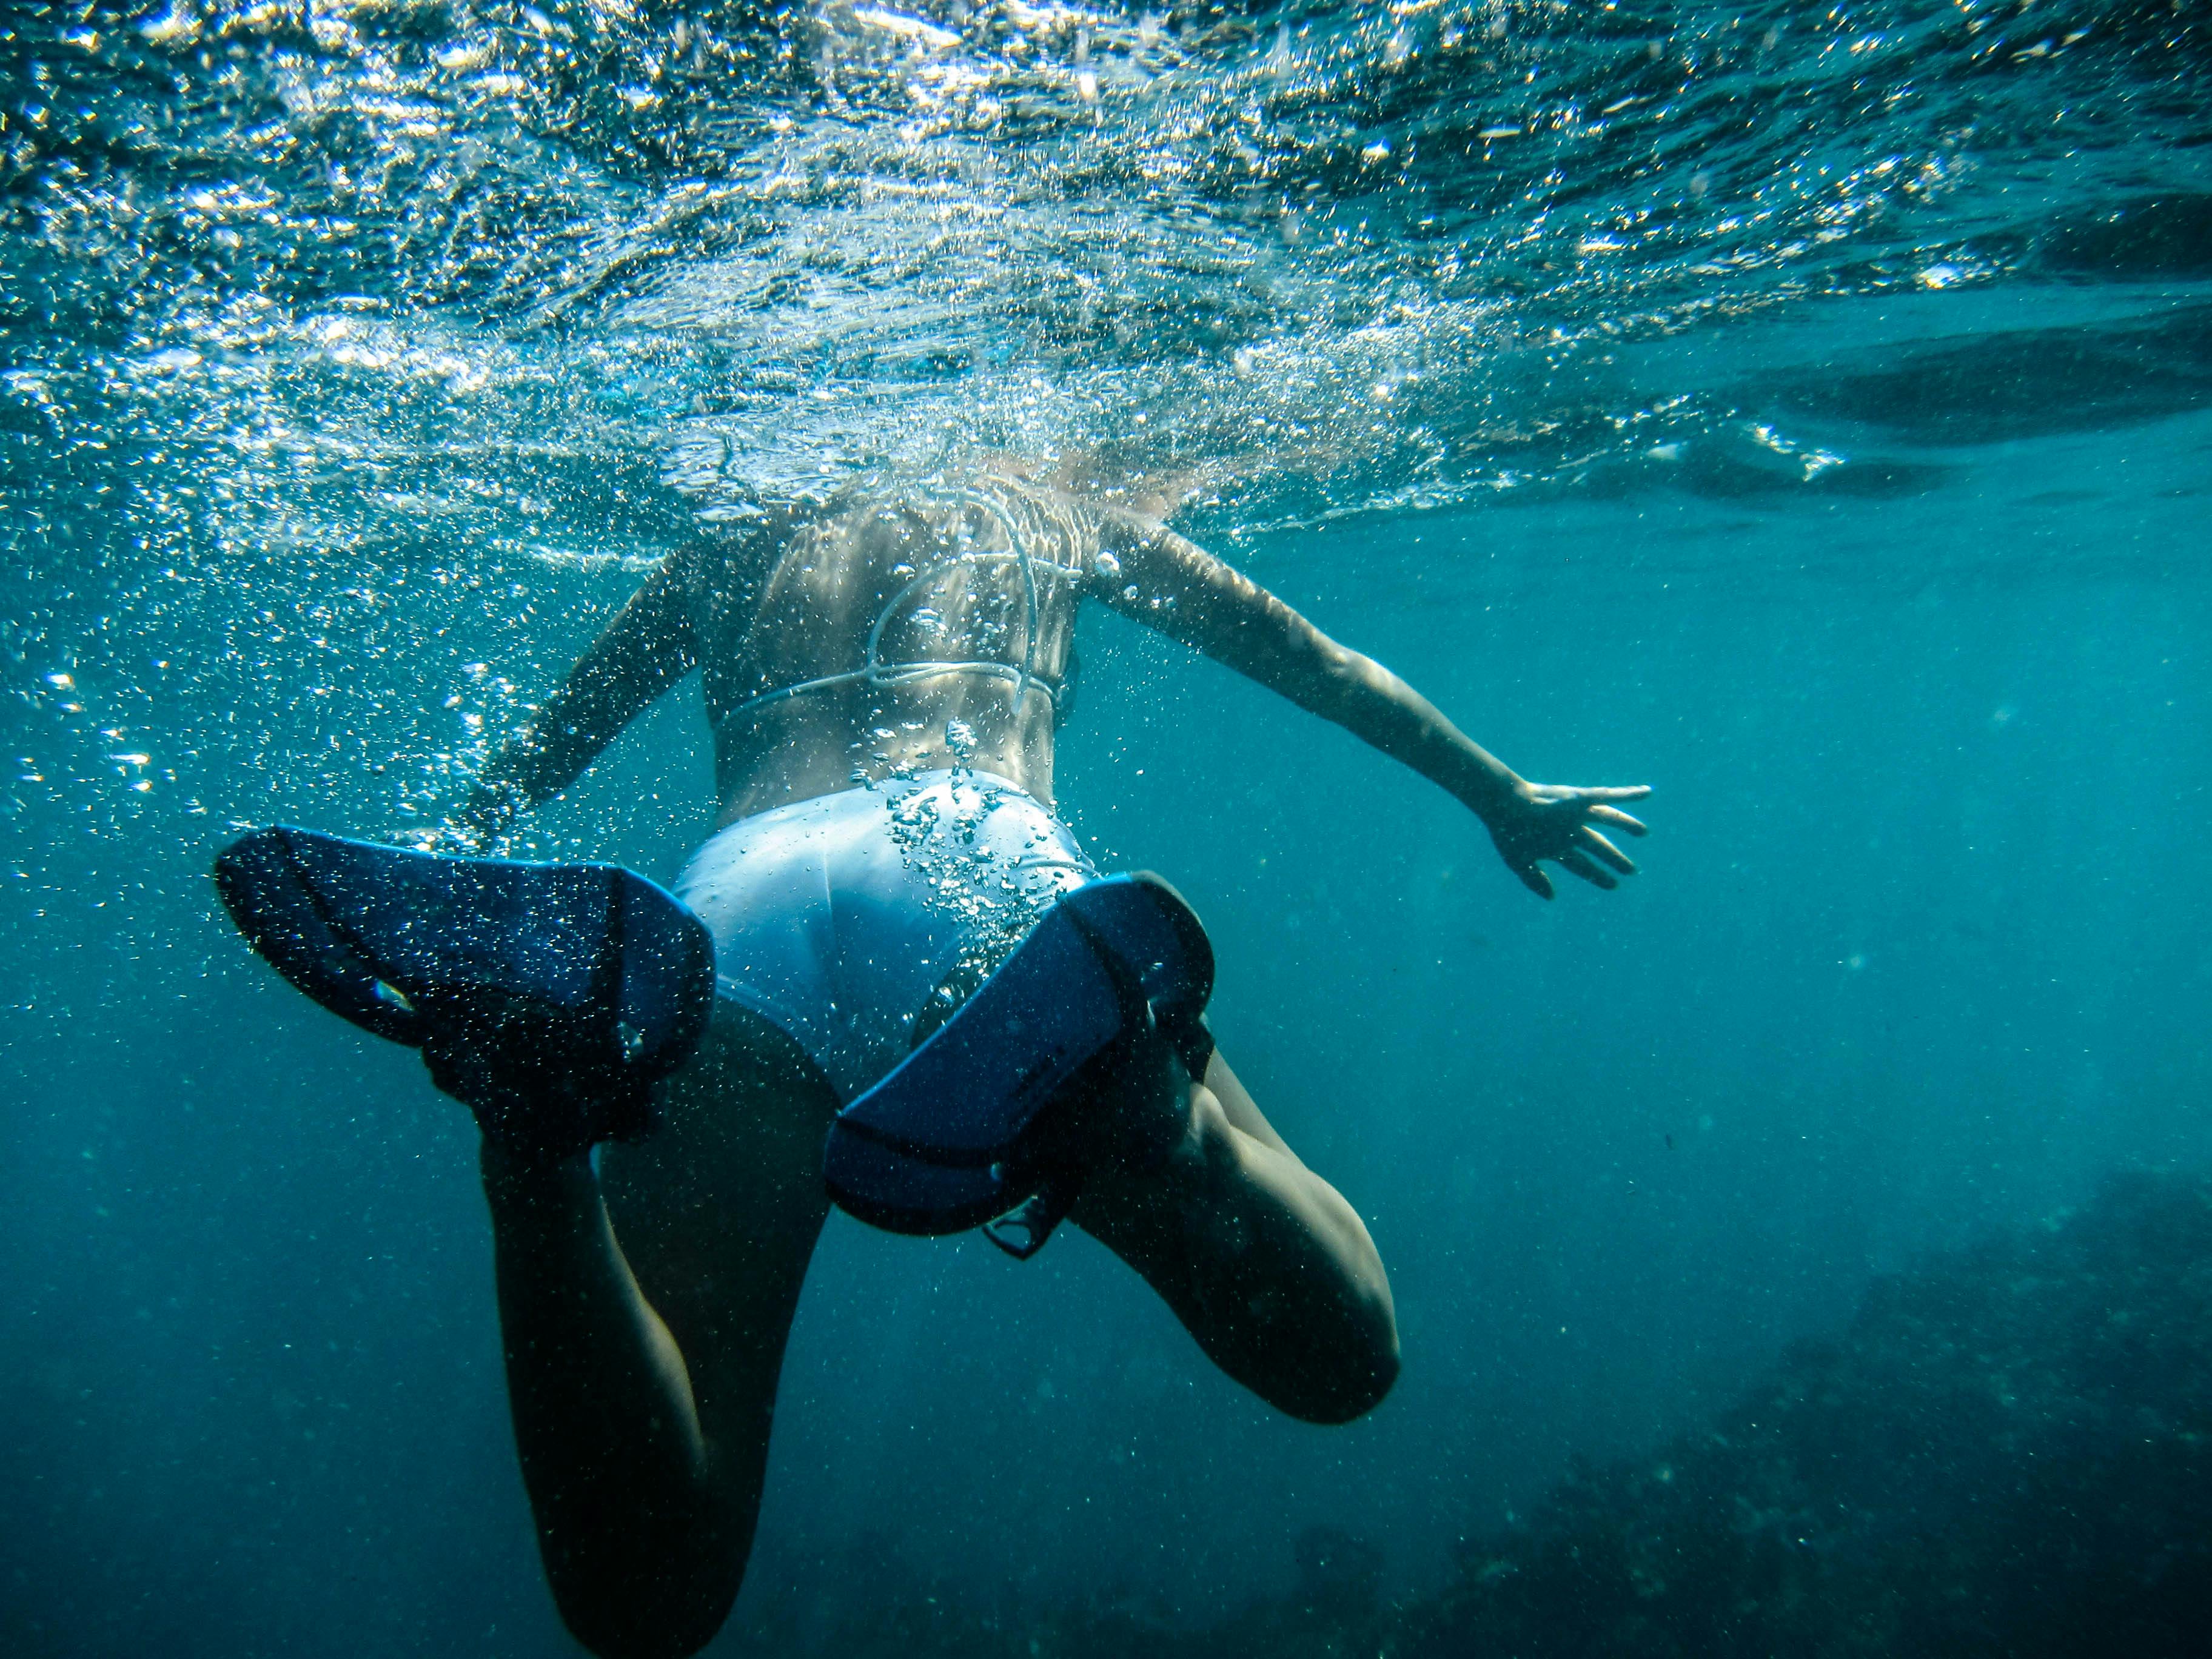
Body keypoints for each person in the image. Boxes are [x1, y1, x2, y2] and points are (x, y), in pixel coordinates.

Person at [261, 455, 1647, 1659]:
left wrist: (455, 855)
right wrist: (1499, 794)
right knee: (1345, 1356)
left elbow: (544, 747)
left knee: (647, 1600)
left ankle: (534, 1152)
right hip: (977, 871)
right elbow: (1323, 671)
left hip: (732, 905)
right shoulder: (1055, 502)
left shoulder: (724, 535)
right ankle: (1147, 1121)